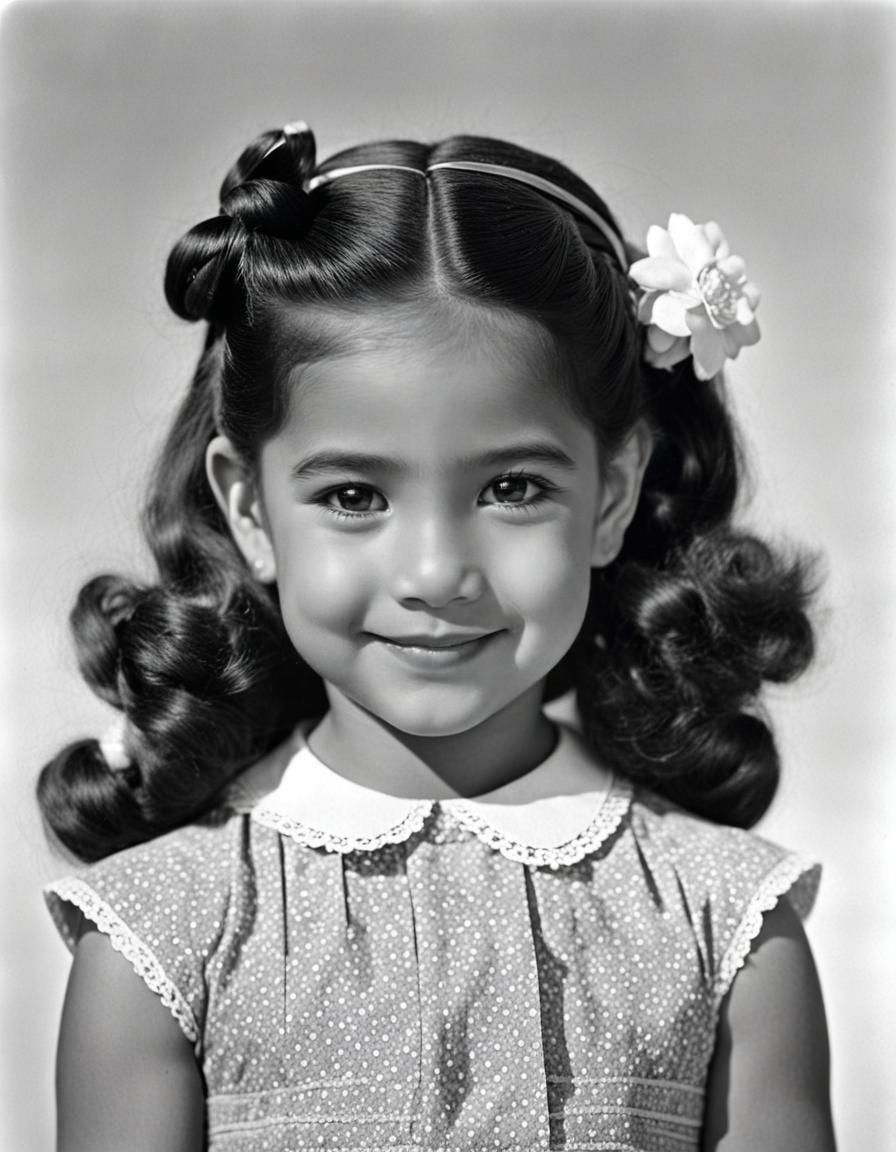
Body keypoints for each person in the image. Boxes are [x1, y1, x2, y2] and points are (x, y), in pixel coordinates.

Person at [38, 122, 836, 1152]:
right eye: (354, 495)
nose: (433, 572)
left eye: (513, 487)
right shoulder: (159, 937)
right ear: (249, 507)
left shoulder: (728, 928)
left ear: (612, 492)